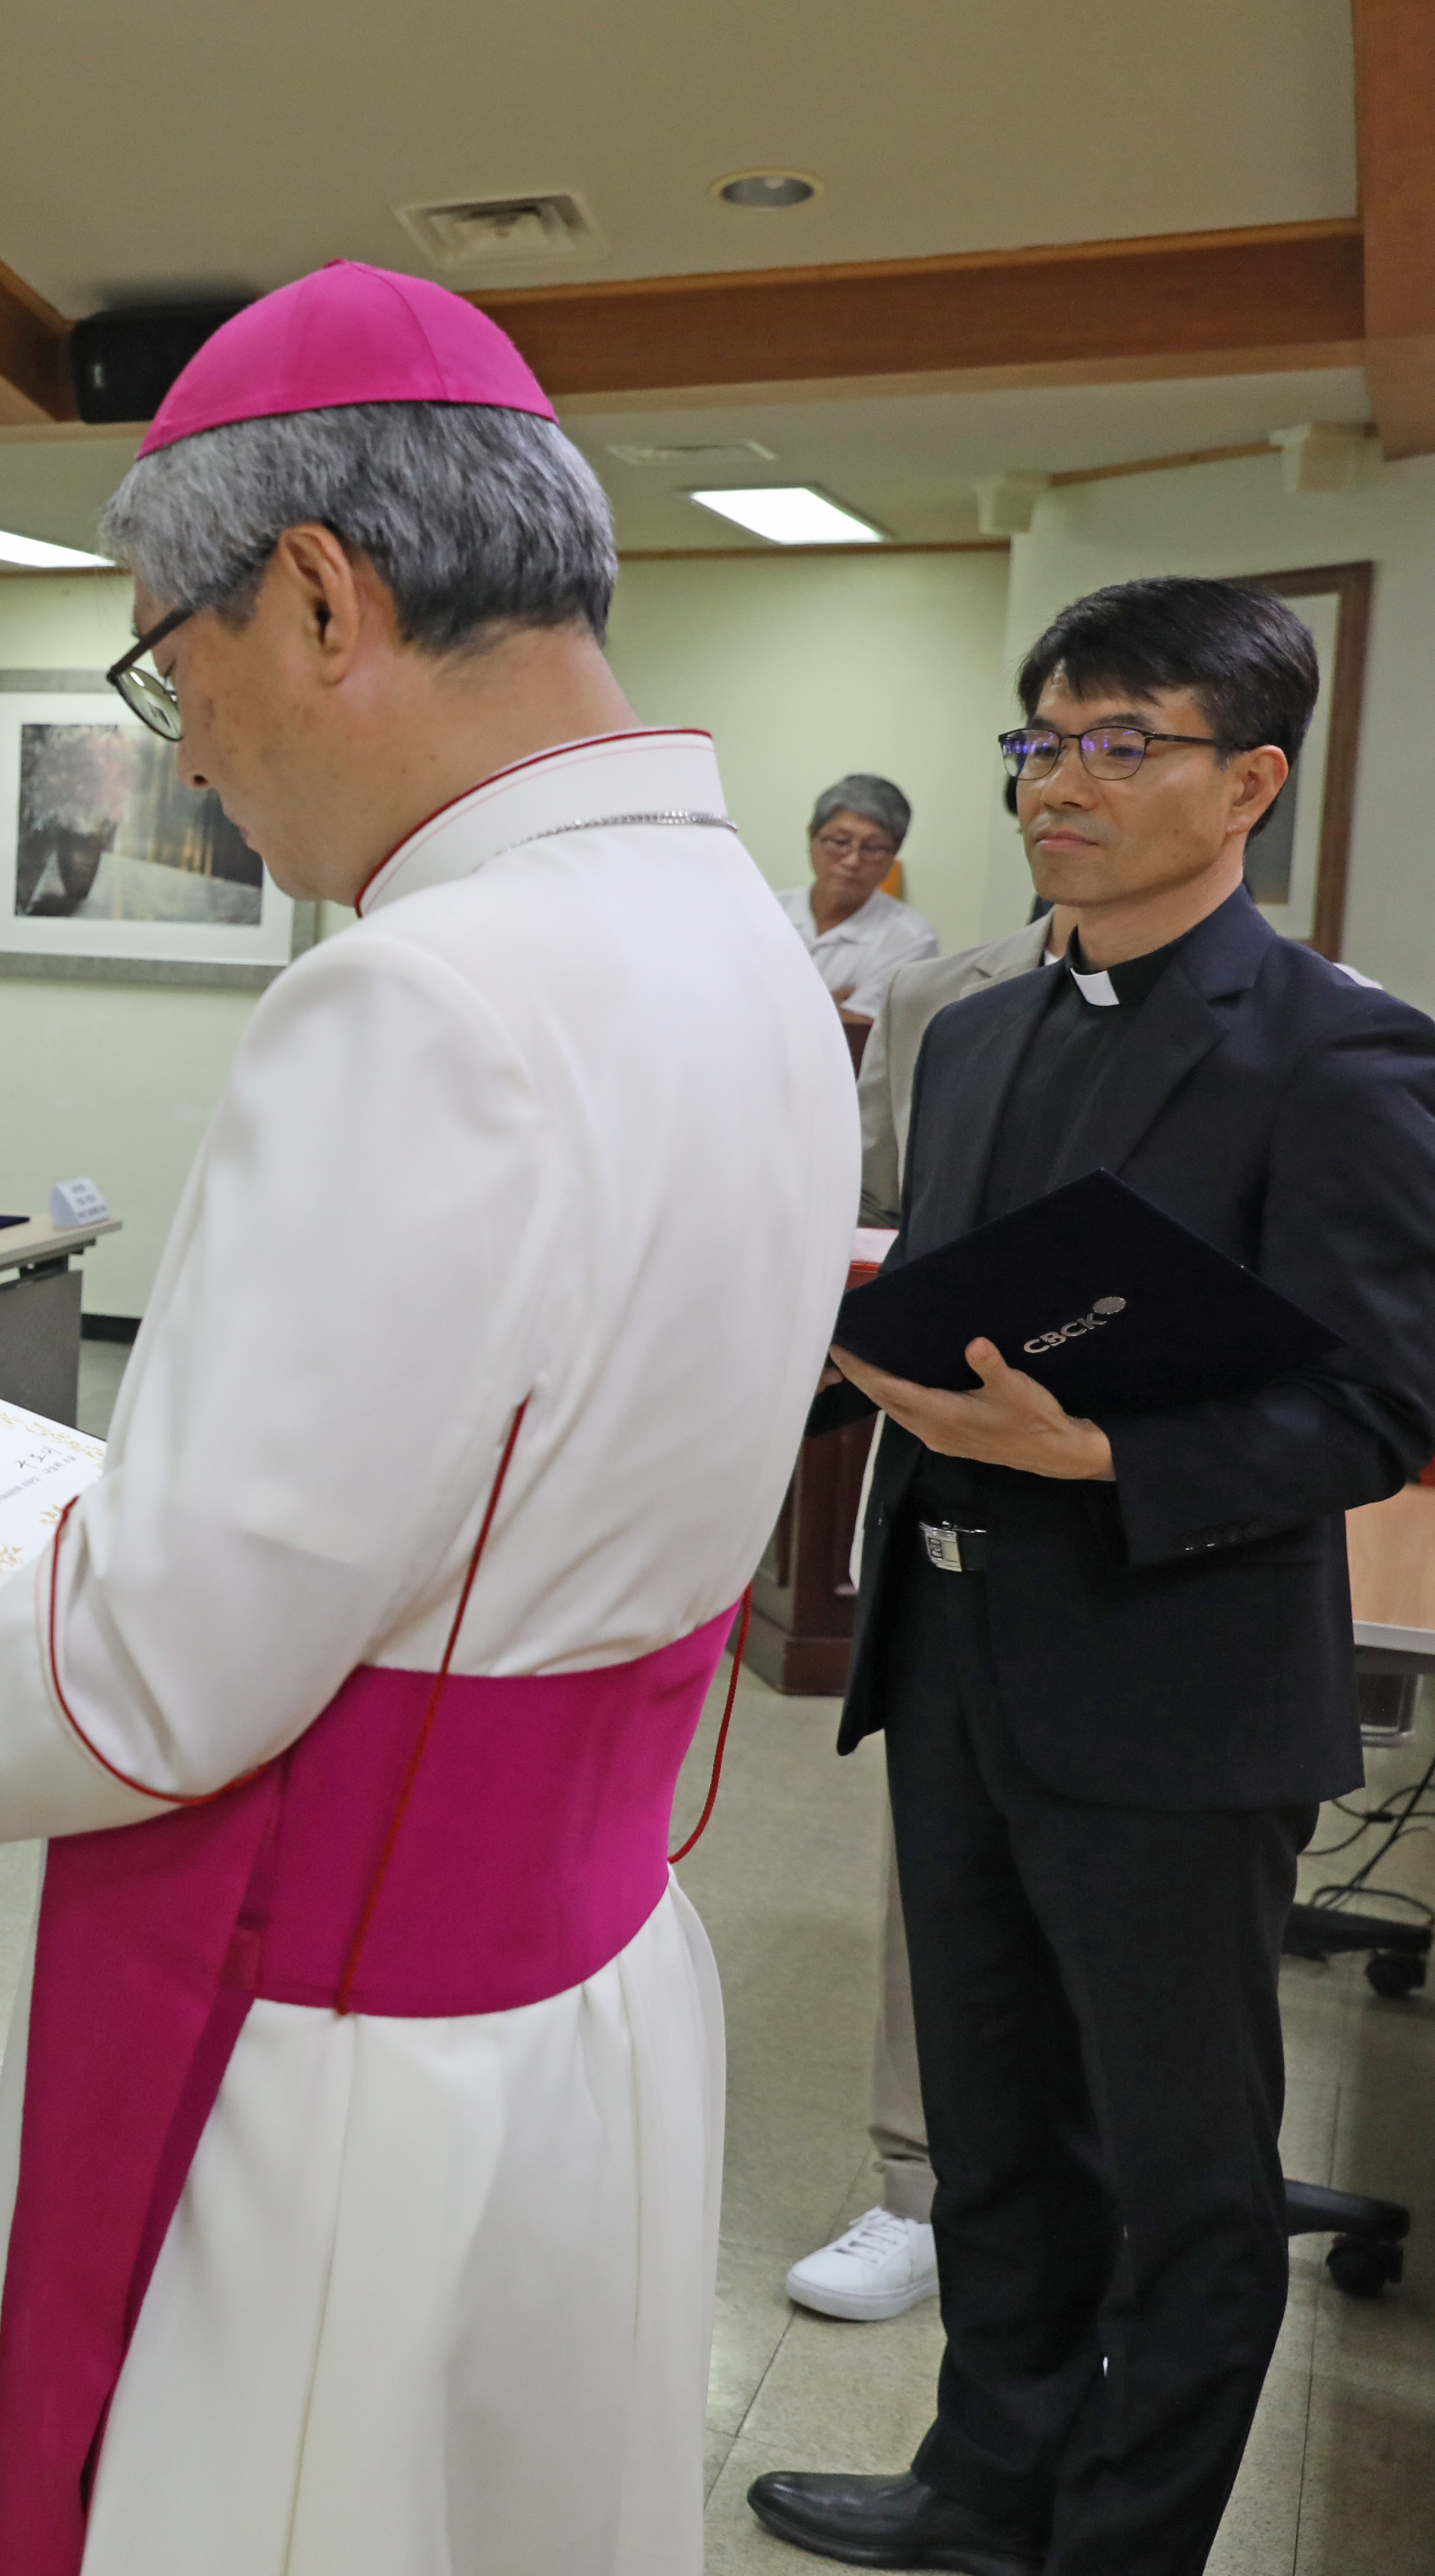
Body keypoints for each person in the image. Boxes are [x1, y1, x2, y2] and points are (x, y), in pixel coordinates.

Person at [0, 263, 850, 2572]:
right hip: (583, 1986)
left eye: (172, 663)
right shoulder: (735, 934)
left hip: (342, 2054)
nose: (190, 747)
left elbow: (157, 1679)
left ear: (323, 598)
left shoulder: (423, 1000)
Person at [750, 580, 1435, 2574]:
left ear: (1251, 783)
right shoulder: (972, 1031)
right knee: (992, 2128)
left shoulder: (1337, 1053)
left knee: (1180, 2175)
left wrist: (1106, 1452)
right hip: (952, 1640)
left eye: (1122, 743)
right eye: (1040, 741)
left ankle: (1118, 2546)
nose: (1060, 782)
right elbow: (940, 1300)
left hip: (1172, 1672)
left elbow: (1380, 1408)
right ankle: (983, 2490)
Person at [782, 898, 1081, 2333]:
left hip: (1152, 1529)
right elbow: (872, 1217)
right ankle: (918, 2190)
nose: (1067, 794)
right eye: (1044, 777)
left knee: (1130, 1924)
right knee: (939, 1880)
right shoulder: (933, 1001)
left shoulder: (1326, 1019)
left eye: (1117, 773)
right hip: (947, 1505)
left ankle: (1122, 2213)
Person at [784, 772, 937, 1036]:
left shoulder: (911, 939)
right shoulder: (763, 913)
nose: (852, 860)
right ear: (812, 836)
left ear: (895, 852)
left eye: (873, 847)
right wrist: (828, 1006)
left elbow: (859, 1032)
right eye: (840, 842)